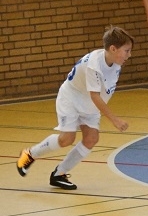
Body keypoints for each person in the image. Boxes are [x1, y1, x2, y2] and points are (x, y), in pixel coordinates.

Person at [16, 26, 134, 190]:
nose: (129, 55)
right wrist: (114, 120)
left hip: (89, 103)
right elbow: (95, 96)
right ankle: (29, 155)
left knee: (91, 138)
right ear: (113, 49)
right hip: (71, 99)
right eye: (127, 51)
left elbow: (100, 94)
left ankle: (59, 174)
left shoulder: (115, 63)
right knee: (66, 139)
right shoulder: (94, 65)